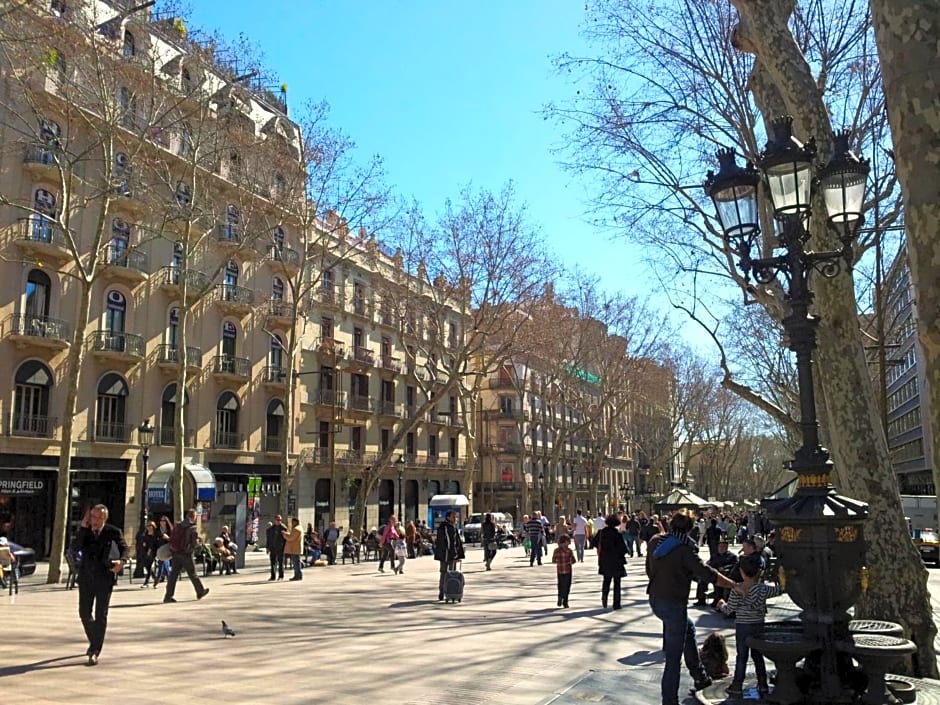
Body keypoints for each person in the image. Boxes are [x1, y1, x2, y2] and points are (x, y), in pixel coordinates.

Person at [646, 511, 739, 705]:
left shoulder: (656, 542)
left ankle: (700, 677)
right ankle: (669, 700)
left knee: (688, 629)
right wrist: (734, 585)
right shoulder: (685, 550)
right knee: (673, 659)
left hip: (656, 599)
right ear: (690, 529)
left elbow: (649, 569)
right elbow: (707, 574)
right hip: (673, 604)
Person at [718, 555, 783, 698]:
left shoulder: (737, 590)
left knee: (742, 657)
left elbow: (729, 610)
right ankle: (763, 685)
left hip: (743, 627)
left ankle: (737, 685)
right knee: (758, 656)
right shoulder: (762, 589)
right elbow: (779, 590)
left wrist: (722, 605)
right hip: (759, 626)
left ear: (741, 572)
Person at [72, 504, 128, 665]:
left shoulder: (113, 531)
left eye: (97, 517)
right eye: (92, 517)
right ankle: (94, 640)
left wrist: (122, 562)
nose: (94, 521)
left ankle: (95, 650)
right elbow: (75, 548)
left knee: (100, 614)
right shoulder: (86, 531)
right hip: (86, 577)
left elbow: (124, 548)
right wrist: (83, 529)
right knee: (84, 613)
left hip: (104, 577)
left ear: (104, 518)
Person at [164, 508, 210, 603]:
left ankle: (168, 596)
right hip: (186, 554)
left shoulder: (178, 525)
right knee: (192, 574)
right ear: (194, 516)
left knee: (173, 576)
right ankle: (200, 591)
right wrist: (199, 543)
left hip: (176, 553)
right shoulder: (192, 527)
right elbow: (194, 543)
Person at [596, 513, 628, 609]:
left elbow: (594, 542)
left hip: (605, 560)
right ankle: (616, 603)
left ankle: (604, 595)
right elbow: (624, 549)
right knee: (617, 583)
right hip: (617, 561)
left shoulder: (601, 533)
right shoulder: (617, 534)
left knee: (606, 579)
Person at [694, 539, 739, 607]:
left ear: (726, 547)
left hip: (723, 575)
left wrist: (724, 568)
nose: (721, 548)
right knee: (702, 580)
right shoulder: (715, 555)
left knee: (718, 582)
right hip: (713, 573)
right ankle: (701, 599)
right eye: (719, 547)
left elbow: (735, 565)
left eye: (723, 547)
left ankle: (717, 600)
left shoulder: (732, 556)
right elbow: (710, 563)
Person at [434, 510, 464, 601]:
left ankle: (447, 591)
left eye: (456, 517)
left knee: (446, 573)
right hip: (448, 554)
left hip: (446, 554)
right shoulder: (447, 527)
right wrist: (455, 553)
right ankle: (445, 591)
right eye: (453, 517)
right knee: (448, 573)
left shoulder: (448, 527)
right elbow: (450, 542)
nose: (455, 519)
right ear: (448, 517)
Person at [552, 534, 575, 608]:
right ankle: (565, 601)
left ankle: (560, 596)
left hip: (560, 570)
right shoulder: (569, 550)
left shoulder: (556, 550)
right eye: (568, 542)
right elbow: (573, 560)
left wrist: (558, 562)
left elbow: (553, 560)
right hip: (568, 570)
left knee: (560, 585)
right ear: (565, 542)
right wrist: (571, 562)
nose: (569, 543)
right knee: (567, 586)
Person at [137, 521, 157, 588]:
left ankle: (146, 582)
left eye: (150, 526)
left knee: (149, 566)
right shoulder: (145, 533)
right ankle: (155, 578)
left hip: (152, 552)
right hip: (145, 551)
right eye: (148, 526)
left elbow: (154, 543)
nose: (149, 527)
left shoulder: (155, 534)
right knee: (147, 566)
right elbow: (143, 541)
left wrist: (150, 550)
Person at [266, 515, 287, 580]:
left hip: (280, 547)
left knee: (280, 562)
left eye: (280, 520)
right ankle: (273, 576)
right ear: (274, 520)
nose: (279, 521)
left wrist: (285, 547)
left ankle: (281, 576)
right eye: (277, 520)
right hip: (273, 547)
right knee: (273, 562)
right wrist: (267, 547)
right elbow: (268, 539)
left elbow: (286, 539)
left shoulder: (283, 528)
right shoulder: (270, 529)